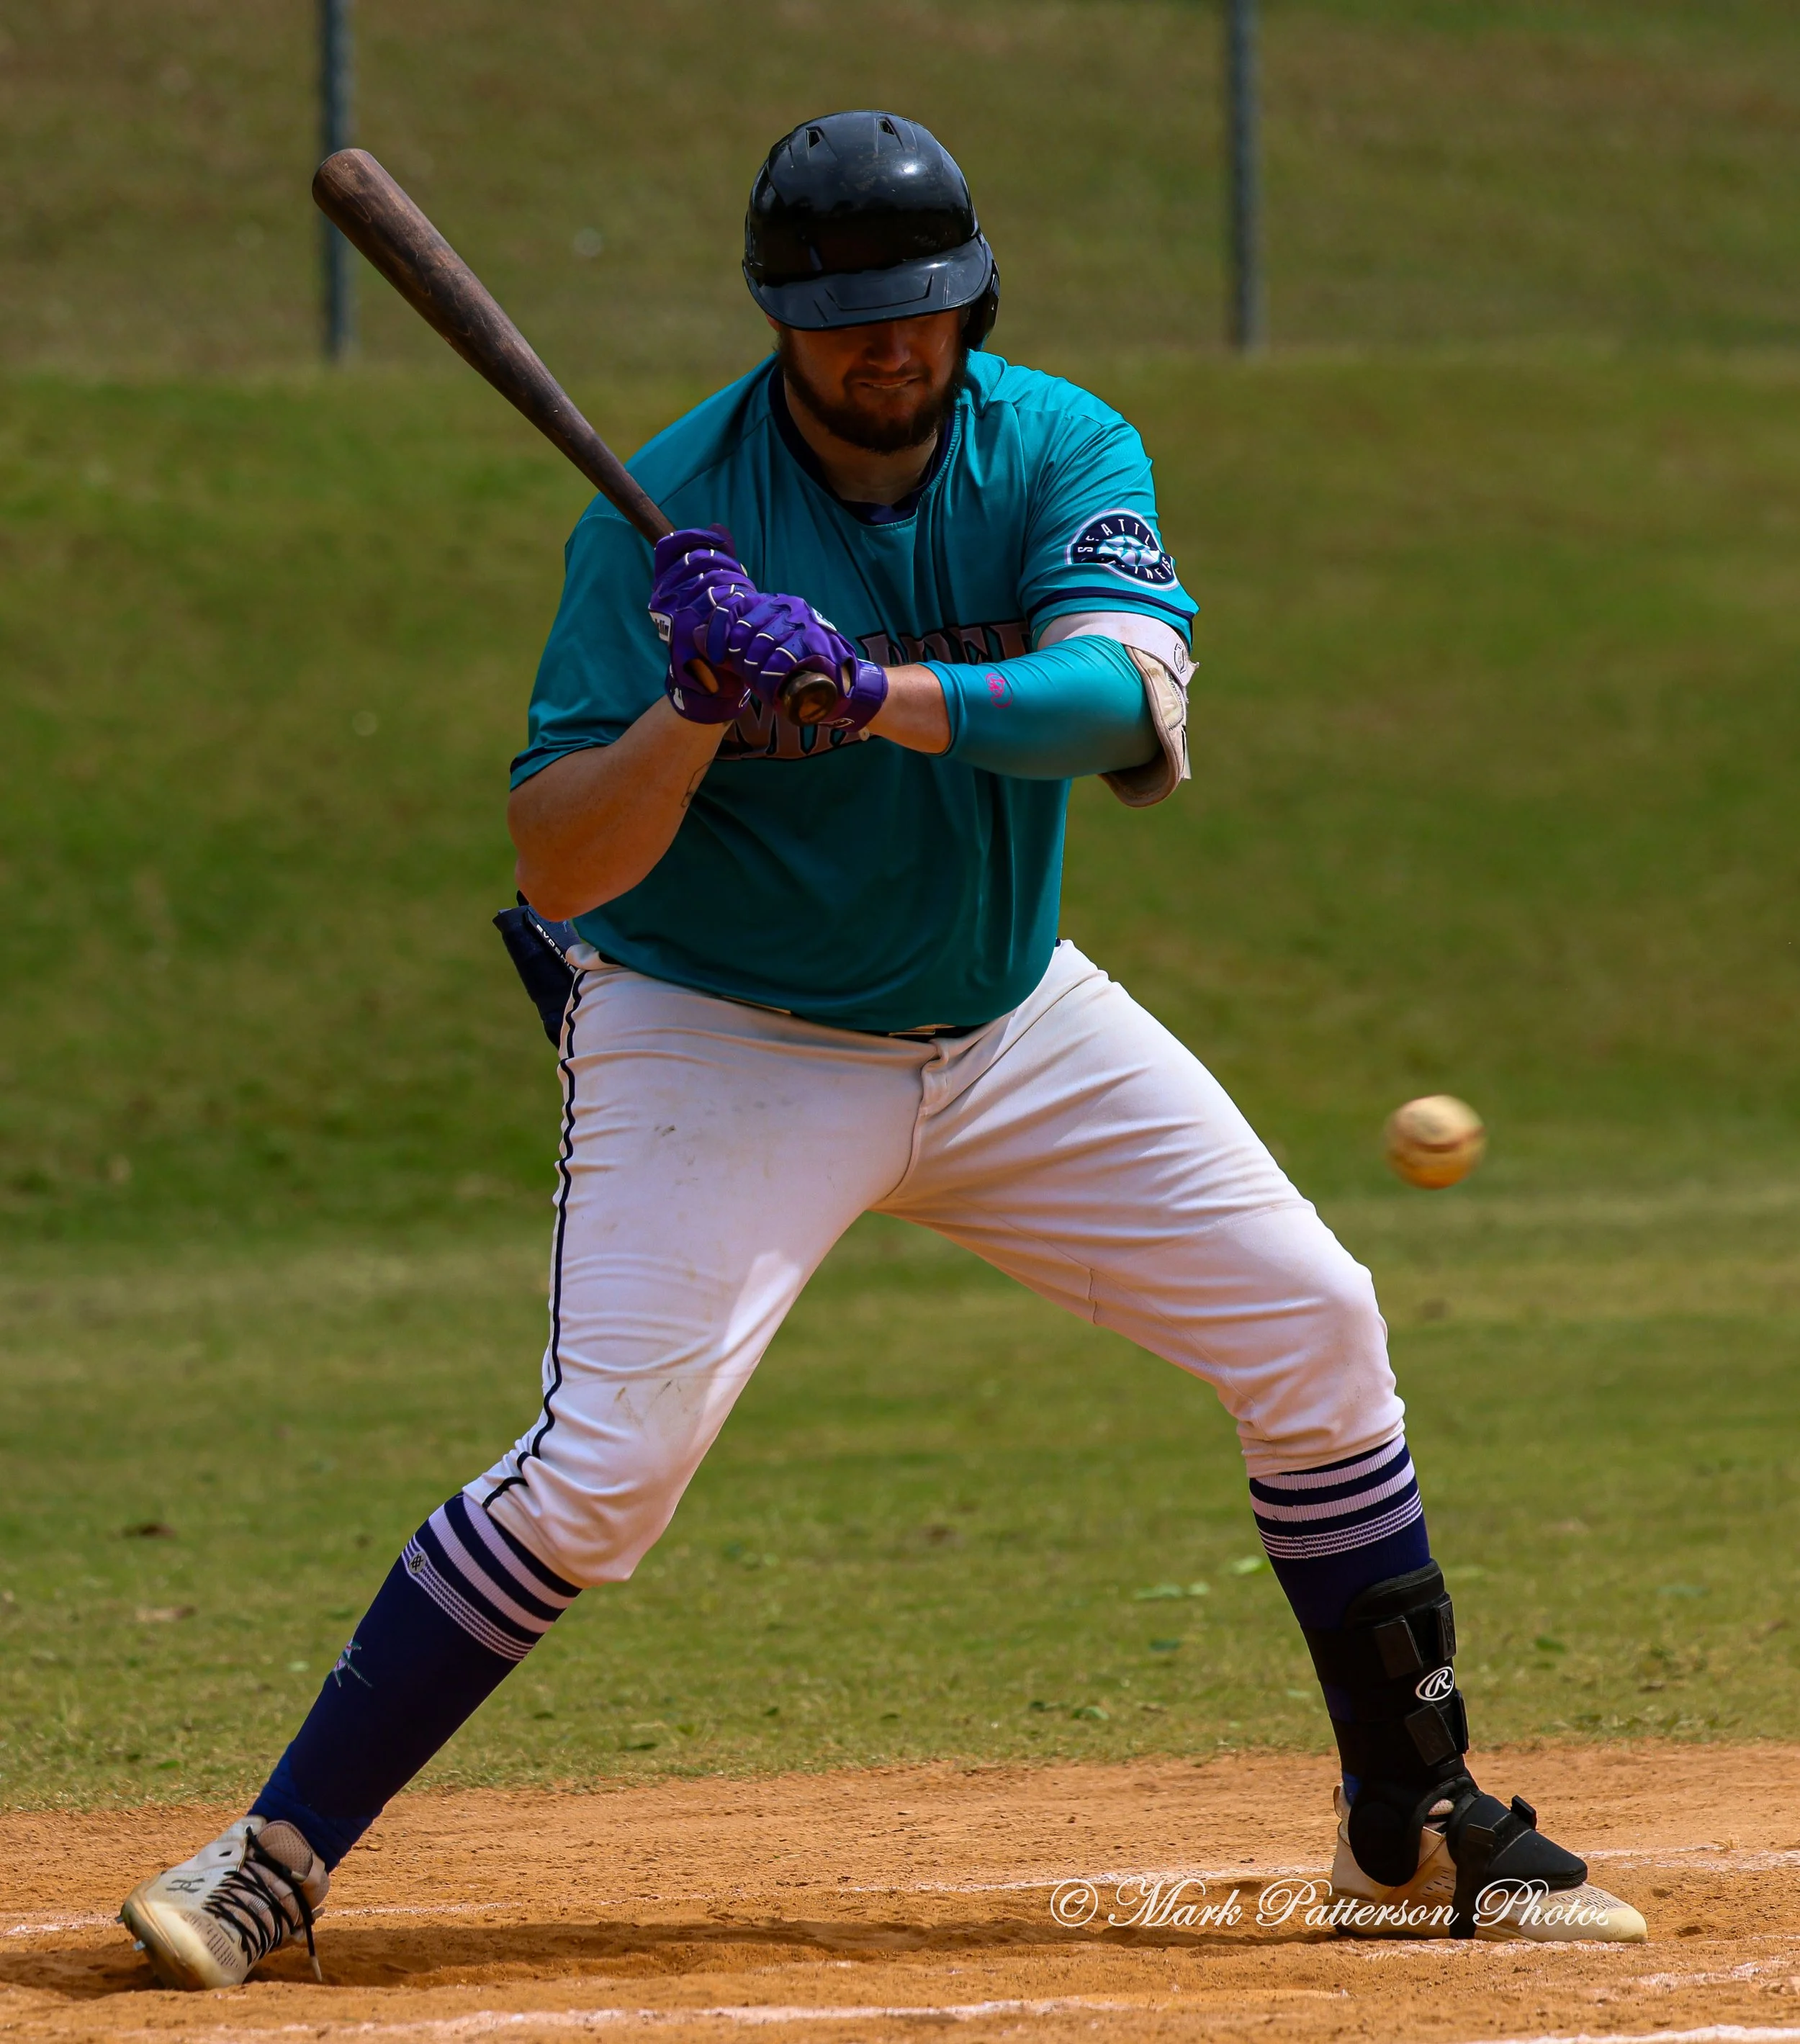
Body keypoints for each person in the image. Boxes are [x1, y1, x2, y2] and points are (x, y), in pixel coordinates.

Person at [120, 111, 1643, 1989]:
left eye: (917, 308)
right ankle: (273, 1854)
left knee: (1313, 1321)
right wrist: (691, 710)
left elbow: (1115, 698)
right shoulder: (668, 510)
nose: (884, 346)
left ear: (971, 300)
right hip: (725, 1031)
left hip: (1008, 1018)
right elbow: (558, 853)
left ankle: (1403, 1817)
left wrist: (863, 690)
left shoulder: (1058, 447)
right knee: (607, 1473)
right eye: (842, 316)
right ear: (781, 320)